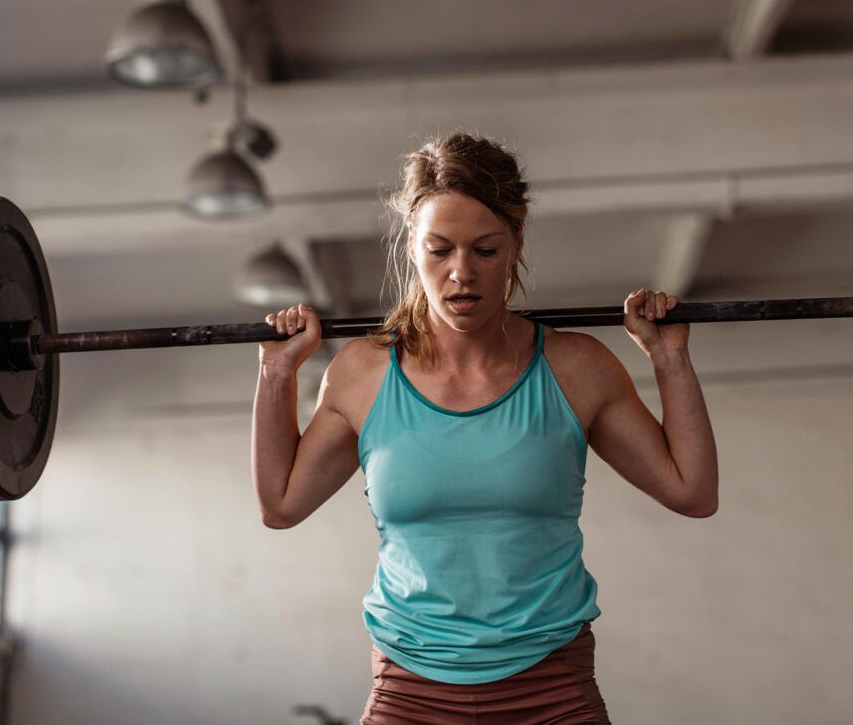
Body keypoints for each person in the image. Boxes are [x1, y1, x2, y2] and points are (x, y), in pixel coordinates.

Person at [252, 133, 718, 724]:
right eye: (439, 250)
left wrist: (670, 359)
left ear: (516, 245)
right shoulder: (362, 373)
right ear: (412, 249)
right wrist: (276, 372)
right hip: (410, 687)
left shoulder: (577, 368)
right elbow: (281, 504)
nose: (461, 274)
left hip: (551, 685)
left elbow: (693, 492)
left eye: (486, 250)